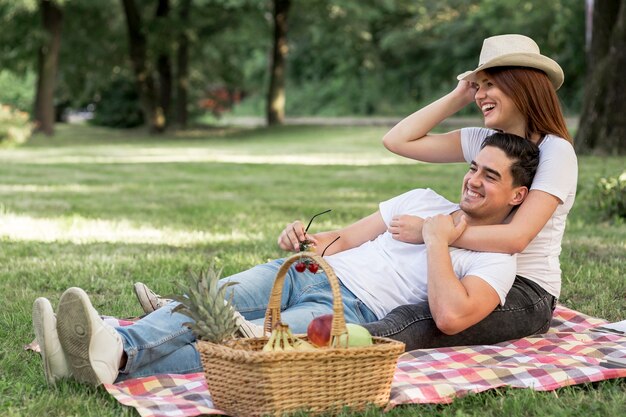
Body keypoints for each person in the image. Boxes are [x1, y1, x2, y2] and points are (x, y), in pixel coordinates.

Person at [32, 133, 539, 386]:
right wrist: (304, 239)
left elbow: (451, 317)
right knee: (209, 301)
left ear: (518, 196)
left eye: (491, 176)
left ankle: (108, 357)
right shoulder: (422, 197)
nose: (472, 180)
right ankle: (115, 347)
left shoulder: (496, 262)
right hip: (306, 273)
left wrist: (436, 241)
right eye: (474, 167)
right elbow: (339, 241)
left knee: (243, 351)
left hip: (348, 312)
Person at [367, 34, 577, 349]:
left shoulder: (555, 151)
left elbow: (517, 237)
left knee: (414, 319)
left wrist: (431, 231)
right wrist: (459, 94)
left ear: (522, 85)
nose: (481, 95)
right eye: (479, 86)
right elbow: (397, 141)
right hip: (471, 267)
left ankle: (337, 349)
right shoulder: (484, 139)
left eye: (490, 84)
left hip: (526, 290)